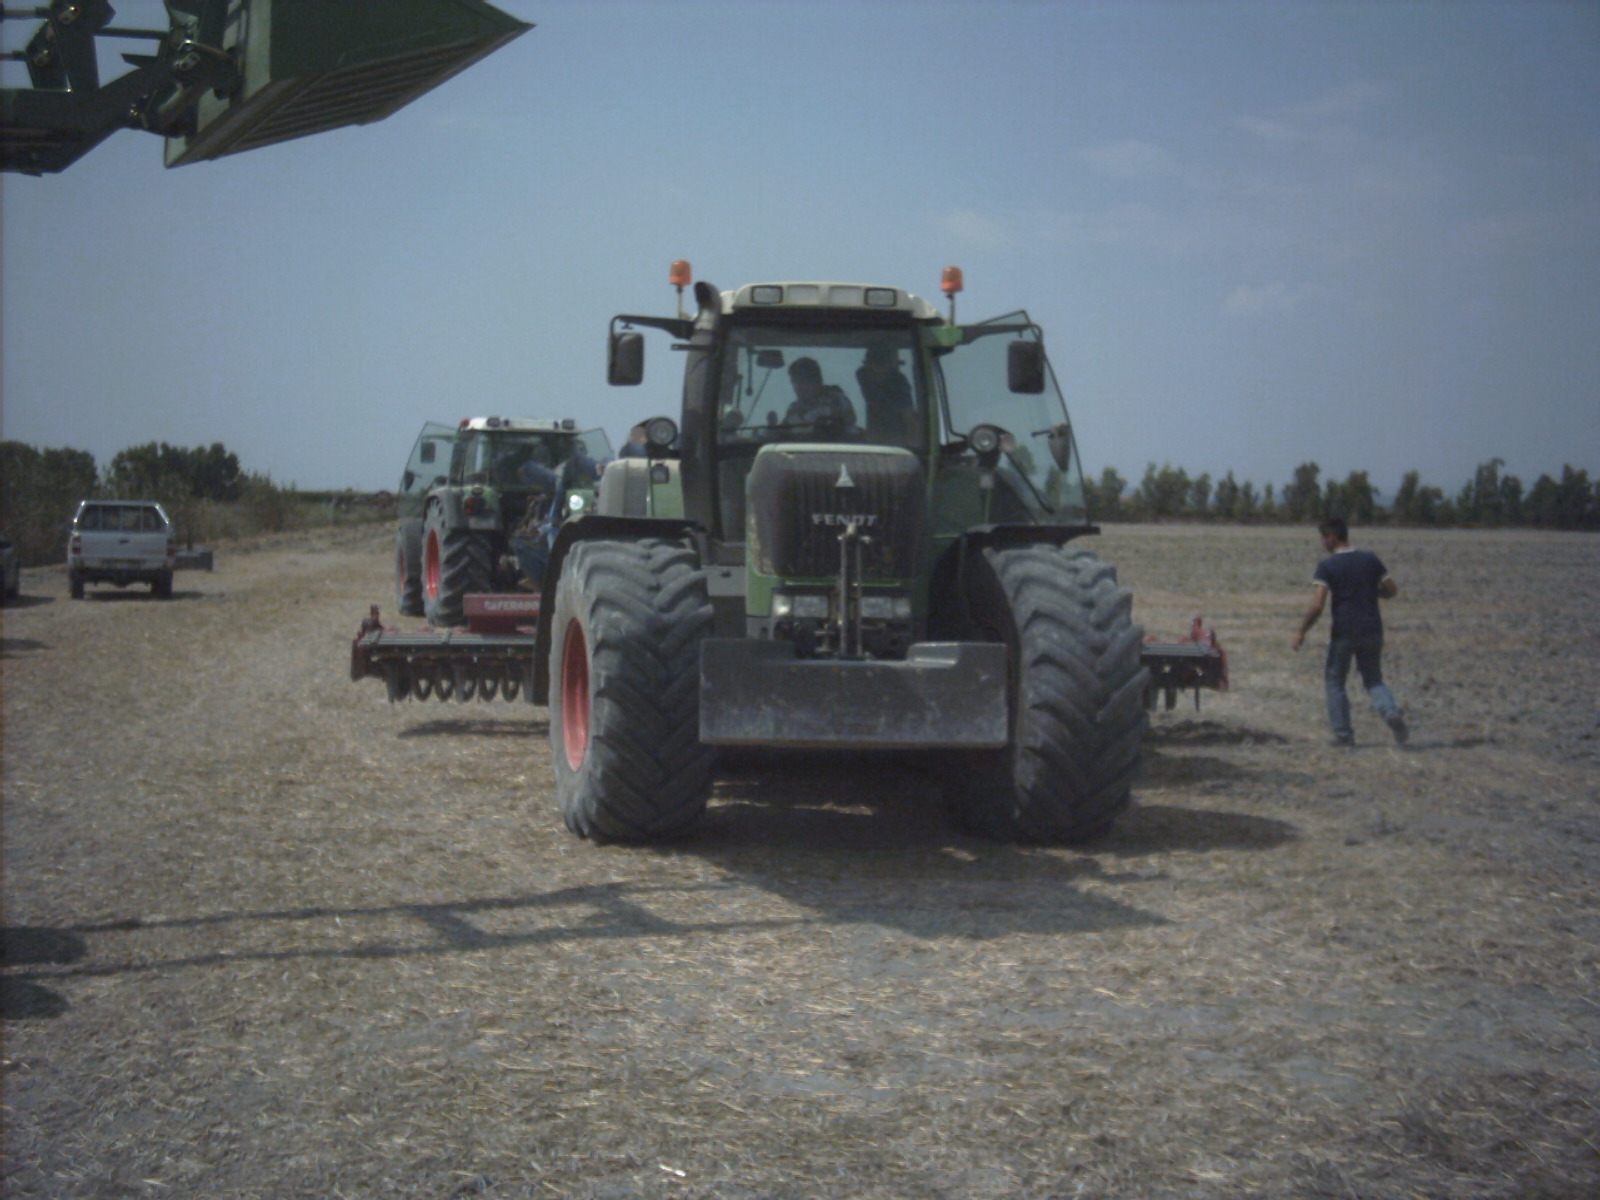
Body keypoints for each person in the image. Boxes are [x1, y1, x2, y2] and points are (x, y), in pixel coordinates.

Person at [1291, 516, 1408, 747]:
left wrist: (1301, 631)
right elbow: (1391, 590)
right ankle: (1391, 713)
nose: (1322, 542)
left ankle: (1344, 736)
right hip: (1373, 629)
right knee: (1373, 679)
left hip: (1344, 631)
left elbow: (1317, 605)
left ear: (1333, 537)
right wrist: (1372, 593)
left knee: (1335, 682)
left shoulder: (1328, 566)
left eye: (1324, 538)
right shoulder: (1370, 559)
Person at [855, 343, 916, 444]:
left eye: (880, 364)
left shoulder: (898, 385)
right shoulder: (864, 377)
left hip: (896, 438)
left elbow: (910, 418)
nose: (875, 374)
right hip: (873, 436)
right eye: (870, 365)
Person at [783, 357, 859, 435]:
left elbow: (845, 428)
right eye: (795, 382)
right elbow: (782, 434)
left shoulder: (835, 401)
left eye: (803, 380)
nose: (798, 386)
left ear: (816, 380)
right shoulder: (793, 409)